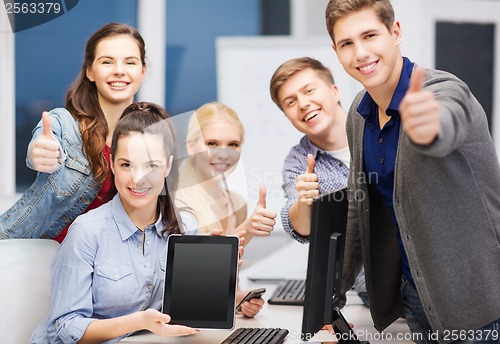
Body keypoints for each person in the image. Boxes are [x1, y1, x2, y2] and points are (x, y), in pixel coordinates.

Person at [326, 0, 500, 343]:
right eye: (347, 43)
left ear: (395, 32)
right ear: (336, 50)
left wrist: (428, 127)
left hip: (477, 304)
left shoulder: (444, 90)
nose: (360, 53)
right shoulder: (358, 116)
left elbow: (446, 120)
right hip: (416, 298)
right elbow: (357, 213)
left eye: (370, 35)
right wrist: (331, 297)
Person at [30, 102, 201, 343]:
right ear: (112, 164)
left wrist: (224, 288)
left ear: (168, 166)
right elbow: (67, 329)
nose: (138, 178)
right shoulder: (87, 232)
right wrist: (139, 321)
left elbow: (190, 311)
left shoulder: (186, 228)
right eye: (126, 164)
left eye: (151, 165)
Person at [0, 22, 146, 242]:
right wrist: (40, 153)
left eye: (130, 62)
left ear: (142, 71)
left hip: (108, 269)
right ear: (90, 71)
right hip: (41, 258)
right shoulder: (64, 124)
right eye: (107, 61)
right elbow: (42, 143)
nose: (119, 70)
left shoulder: (151, 138)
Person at [269, 57, 368, 307]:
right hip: (371, 286)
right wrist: (304, 201)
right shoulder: (298, 161)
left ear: (334, 92)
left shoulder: (378, 128)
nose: (303, 104)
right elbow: (303, 229)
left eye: (309, 90)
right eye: (290, 102)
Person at [175, 102, 277, 318]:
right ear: (191, 145)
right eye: (212, 143)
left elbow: (220, 285)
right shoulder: (175, 204)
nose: (224, 154)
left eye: (233, 144)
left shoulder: (236, 203)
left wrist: (237, 299)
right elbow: (187, 289)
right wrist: (248, 228)